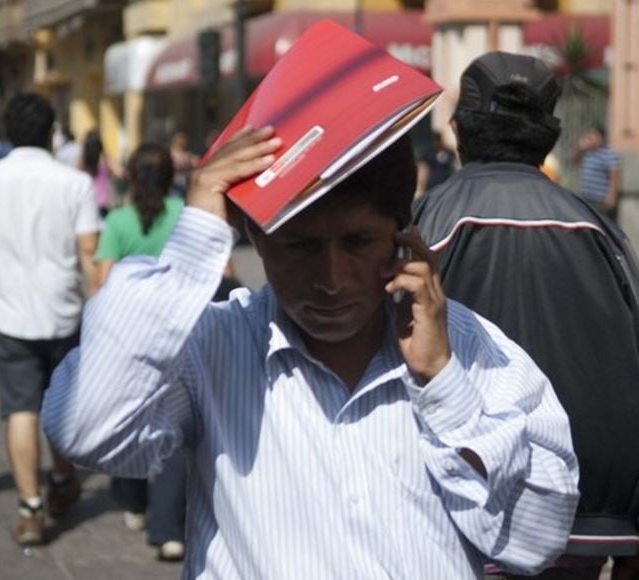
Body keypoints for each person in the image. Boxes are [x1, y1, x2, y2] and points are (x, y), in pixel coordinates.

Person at [42, 123, 579, 577]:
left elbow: (536, 539)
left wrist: (444, 385)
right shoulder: (211, 346)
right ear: (254, 235)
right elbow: (87, 430)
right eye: (298, 246)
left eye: (357, 243)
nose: (331, 279)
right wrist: (193, 246)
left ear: (403, 238)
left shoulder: (471, 350)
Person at [413, 51, 639, 579]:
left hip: (465, 504)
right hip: (588, 519)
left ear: (459, 131)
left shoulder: (424, 224)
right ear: (551, 135)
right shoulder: (602, 232)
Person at [0, 92, 100, 546]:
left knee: (20, 408)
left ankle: (31, 508)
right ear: (51, 132)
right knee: (59, 405)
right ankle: (61, 477)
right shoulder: (73, 183)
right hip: (63, 309)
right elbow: (89, 253)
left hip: (7, 311)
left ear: (7, 132)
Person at [93, 142, 187, 561]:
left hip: (130, 338)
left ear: (129, 177)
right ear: (172, 177)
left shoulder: (117, 221)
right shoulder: (186, 215)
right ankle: (168, 531)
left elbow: (102, 283)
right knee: (173, 428)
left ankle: (133, 503)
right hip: (180, 333)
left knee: (131, 418)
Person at [574, 125, 621, 220]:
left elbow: (614, 177)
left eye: (592, 135)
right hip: (586, 198)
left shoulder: (609, 154)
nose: (589, 138)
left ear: (600, 137)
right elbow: (574, 161)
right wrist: (579, 148)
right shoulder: (587, 152)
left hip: (600, 201)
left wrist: (611, 196)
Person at [79, 130, 120, 217]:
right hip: (104, 202)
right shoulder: (105, 159)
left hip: (87, 201)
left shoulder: (82, 161)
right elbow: (120, 173)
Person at [416, 131, 455, 195]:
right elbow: (422, 167)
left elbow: (452, 158)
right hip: (433, 184)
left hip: (446, 182)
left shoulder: (447, 152)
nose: (437, 143)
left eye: (439, 140)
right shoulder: (429, 153)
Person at [169, 129, 199, 196]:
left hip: (186, 186)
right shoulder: (170, 153)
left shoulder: (188, 155)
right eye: (180, 137)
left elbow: (196, 164)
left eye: (184, 138)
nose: (182, 140)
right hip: (174, 186)